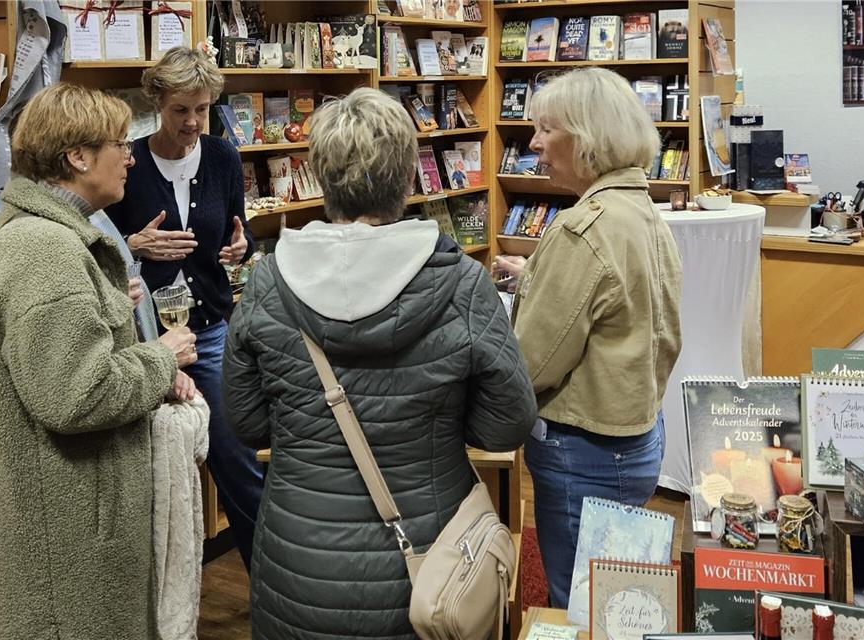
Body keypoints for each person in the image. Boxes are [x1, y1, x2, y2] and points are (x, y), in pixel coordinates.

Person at [222, 87, 537, 640]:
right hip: (426, 566)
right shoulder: (462, 284)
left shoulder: (266, 282)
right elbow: (507, 421)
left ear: (319, 178)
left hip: (298, 564)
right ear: (411, 175)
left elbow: (247, 423)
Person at [0, 82, 198, 639]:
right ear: (76, 156)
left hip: (66, 524)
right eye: (120, 143)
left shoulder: (43, 236)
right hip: (66, 546)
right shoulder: (46, 249)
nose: (130, 155)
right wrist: (161, 359)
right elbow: (78, 394)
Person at [493, 68, 683, 608]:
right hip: (636, 437)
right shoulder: (644, 212)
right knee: (617, 595)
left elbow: (531, 364)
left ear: (586, 137)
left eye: (545, 129)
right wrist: (537, 277)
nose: (533, 143)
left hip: (585, 452)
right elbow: (629, 309)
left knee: (583, 604)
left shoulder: (582, 229)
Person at [105, 46, 263, 571]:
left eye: (202, 109)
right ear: (157, 102)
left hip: (211, 332)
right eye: (180, 110)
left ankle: (271, 582)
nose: (193, 122)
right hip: (145, 339)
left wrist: (244, 248)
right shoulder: (127, 160)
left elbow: (241, 232)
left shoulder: (222, 156)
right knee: (148, 466)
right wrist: (135, 245)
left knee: (235, 460)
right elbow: (100, 250)